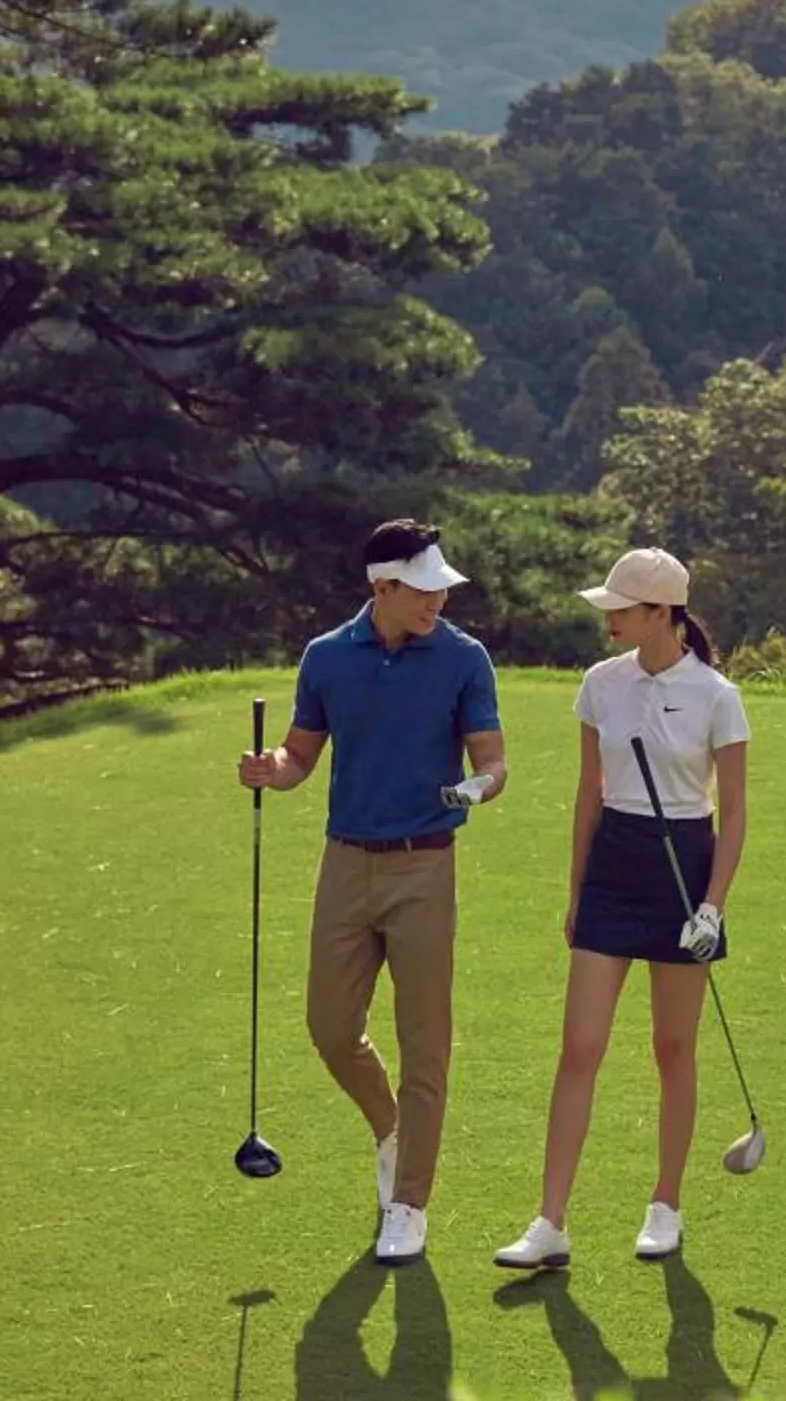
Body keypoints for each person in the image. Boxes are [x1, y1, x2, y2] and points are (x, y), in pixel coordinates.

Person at [237, 518, 506, 1266]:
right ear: (381, 588)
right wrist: (271, 769)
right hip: (346, 864)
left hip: (426, 864)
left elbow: (494, 762)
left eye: (442, 590)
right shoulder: (327, 658)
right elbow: (299, 757)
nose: (439, 603)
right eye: (424, 591)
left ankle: (410, 1203)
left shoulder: (463, 659)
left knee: (426, 1043)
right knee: (329, 1027)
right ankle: (391, 1129)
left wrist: (474, 790)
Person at [495, 546, 749, 1269]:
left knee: (672, 1049)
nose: (608, 619)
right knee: (580, 1046)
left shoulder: (716, 695)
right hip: (614, 863)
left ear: (661, 613)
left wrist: (713, 906)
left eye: (621, 609)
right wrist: (575, 892)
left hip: (683, 868)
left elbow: (731, 815)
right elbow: (587, 794)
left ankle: (665, 1205)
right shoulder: (600, 685)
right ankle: (550, 1222)